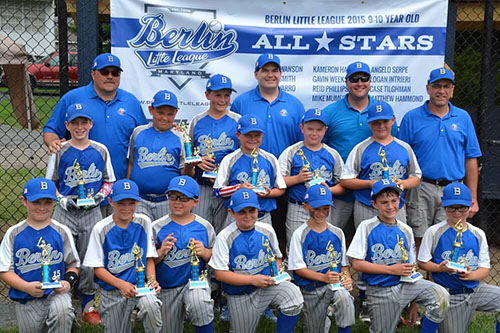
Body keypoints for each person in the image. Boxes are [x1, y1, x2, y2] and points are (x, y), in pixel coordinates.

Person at [43, 53, 147, 215]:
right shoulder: (73, 98)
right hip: (81, 188)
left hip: (118, 188)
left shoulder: (131, 102)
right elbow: (51, 130)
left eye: (115, 73)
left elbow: (144, 135)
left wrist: (172, 130)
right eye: (105, 72)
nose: (110, 77)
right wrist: (53, 142)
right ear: (93, 73)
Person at [346, 179, 450, 333]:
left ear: (400, 201)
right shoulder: (366, 227)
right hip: (380, 289)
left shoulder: (406, 230)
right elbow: (357, 264)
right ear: (374, 204)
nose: (390, 206)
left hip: (405, 285)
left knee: (440, 296)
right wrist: (391, 270)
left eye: (394, 201)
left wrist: (413, 304)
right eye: (384, 202)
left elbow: (411, 270)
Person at [45, 103, 115, 324]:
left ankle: (87, 302)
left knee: (90, 255)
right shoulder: (60, 150)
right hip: (65, 211)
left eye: (83, 122)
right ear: (67, 125)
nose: (79, 126)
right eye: (74, 123)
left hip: (92, 210)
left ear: (90, 124)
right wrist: (62, 200)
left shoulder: (100, 149)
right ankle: (61, 300)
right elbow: (49, 183)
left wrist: (100, 197)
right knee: (60, 252)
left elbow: (109, 179)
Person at [398, 67, 481, 249]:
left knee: (449, 240)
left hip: (453, 188)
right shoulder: (412, 118)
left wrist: (472, 197)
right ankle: (420, 278)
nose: (441, 91)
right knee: (418, 240)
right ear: (428, 88)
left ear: (452, 90)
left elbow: (471, 158)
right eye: (437, 86)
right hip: (420, 188)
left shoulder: (463, 117)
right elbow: (402, 160)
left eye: (446, 86)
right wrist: (401, 197)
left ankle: (440, 279)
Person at [230, 52, 305, 254]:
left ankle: (276, 268)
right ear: (256, 74)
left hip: (284, 180)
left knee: (280, 229)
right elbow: (235, 137)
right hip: (249, 177)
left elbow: (301, 145)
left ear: (281, 74)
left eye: (274, 70)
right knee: (245, 227)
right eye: (265, 70)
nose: (270, 75)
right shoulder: (241, 102)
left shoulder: (295, 104)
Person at [209, 188, 304, 333]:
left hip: (266, 288)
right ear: (231, 212)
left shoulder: (267, 230)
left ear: (258, 209)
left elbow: (277, 257)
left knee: (294, 296)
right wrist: (253, 280)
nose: (248, 216)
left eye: (251, 210)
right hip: (240, 294)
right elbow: (220, 274)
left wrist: (277, 272)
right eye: (242, 211)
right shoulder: (225, 237)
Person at [322, 61, 398, 232]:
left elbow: (394, 146)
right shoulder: (331, 112)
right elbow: (320, 147)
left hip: (373, 195)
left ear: (370, 81)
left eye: (364, 78)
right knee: (331, 237)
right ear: (346, 82)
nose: (359, 83)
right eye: (354, 79)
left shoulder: (382, 112)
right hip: (339, 191)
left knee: (371, 240)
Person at [417, 183, 500, 333]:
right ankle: (433, 321)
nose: (457, 212)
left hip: (475, 290)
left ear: (471, 206)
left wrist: (472, 275)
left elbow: (485, 268)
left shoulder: (478, 233)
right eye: (452, 208)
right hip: (450, 294)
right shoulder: (434, 231)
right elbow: (422, 262)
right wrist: (439, 268)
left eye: (462, 208)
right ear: (443, 206)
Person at [0, 178, 80, 333]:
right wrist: (26, 287)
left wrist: (68, 283)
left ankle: (66, 320)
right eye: (36, 202)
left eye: (48, 202)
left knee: (62, 310)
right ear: (24, 201)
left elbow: (73, 265)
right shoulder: (14, 233)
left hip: (56, 294)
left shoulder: (62, 231)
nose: (42, 207)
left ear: (54, 202)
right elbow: (4, 271)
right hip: (26, 297)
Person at [83, 179, 162, 333]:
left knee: (151, 306)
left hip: (140, 286)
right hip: (113, 290)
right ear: (111, 202)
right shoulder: (101, 229)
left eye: (131, 203)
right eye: (121, 203)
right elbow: (97, 269)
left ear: (138, 202)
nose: (126, 208)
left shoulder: (144, 222)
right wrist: (120, 284)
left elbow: (149, 258)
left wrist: (152, 281)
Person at [341, 100, 421, 227]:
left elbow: (416, 176)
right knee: (366, 243)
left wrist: (404, 183)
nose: (381, 125)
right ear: (369, 123)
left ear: (393, 120)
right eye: (376, 122)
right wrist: (369, 184)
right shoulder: (361, 148)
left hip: (395, 206)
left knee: (398, 241)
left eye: (385, 121)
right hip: (366, 204)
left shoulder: (404, 148)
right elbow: (345, 180)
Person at [152, 175, 215, 333]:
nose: (177, 202)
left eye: (183, 198)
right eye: (173, 197)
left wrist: (206, 252)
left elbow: (217, 258)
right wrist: (160, 252)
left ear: (195, 201)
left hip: (195, 284)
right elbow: (148, 262)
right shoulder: (156, 227)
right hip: (167, 287)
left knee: (199, 303)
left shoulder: (204, 226)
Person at [288, 184, 354, 333]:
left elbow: (344, 265)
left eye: (325, 208)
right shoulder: (300, 234)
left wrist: (347, 278)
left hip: (334, 285)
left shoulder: (337, 233)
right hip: (310, 289)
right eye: (316, 208)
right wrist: (323, 277)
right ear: (305, 206)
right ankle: (325, 318)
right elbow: (298, 269)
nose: (321, 212)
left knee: (345, 299)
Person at [278, 108, 344, 253]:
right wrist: (297, 178)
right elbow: (279, 182)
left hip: (324, 208)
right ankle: (295, 276)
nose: (314, 133)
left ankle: (323, 275)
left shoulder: (332, 154)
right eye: (310, 129)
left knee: (323, 247)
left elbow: (342, 185)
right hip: (298, 207)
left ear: (325, 130)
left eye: (319, 130)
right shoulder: (291, 152)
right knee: (295, 248)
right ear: (302, 128)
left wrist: (329, 190)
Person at [188, 74, 241, 233]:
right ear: (207, 95)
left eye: (226, 95)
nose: (222, 99)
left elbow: (246, 153)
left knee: (226, 233)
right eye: (218, 94)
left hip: (229, 187)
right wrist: (198, 161)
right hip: (203, 186)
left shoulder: (238, 120)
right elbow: (188, 155)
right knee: (200, 231)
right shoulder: (197, 121)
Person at [213, 114, 286, 227]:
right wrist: (238, 188)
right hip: (237, 217)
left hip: (263, 216)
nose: (253, 139)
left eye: (257, 135)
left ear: (262, 135)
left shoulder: (270, 158)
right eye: (248, 135)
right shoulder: (230, 159)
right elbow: (218, 191)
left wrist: (269, 193)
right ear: (238, 135)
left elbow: (281, 189)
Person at [127, 90, 189, 221]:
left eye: (170, 114)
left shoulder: (180, 136)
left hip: (167, 200)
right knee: (142, 237)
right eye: (160, 112)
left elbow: (184, 172)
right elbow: (132, 163)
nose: (165, 118)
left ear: (176, 113)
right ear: (151, 110)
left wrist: (191, 167)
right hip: (140, 199)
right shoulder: (138, 132)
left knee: (166, 237)